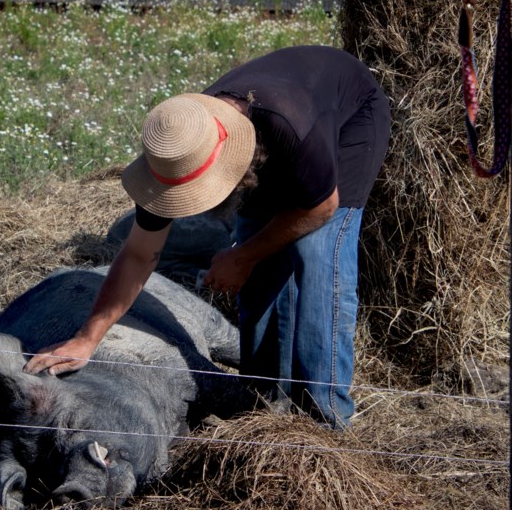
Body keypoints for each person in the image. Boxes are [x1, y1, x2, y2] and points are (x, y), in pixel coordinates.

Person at [24, 45, 391, 428]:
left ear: (229, 163)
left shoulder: (287, 126)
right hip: (274, 136)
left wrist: (243, 256)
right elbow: (138, 254)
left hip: (348, 119)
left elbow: (322, 207)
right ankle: (265, 405)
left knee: (315, 260)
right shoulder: (175, 151)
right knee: (261, 268)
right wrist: (88, 337)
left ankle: (326, 416)